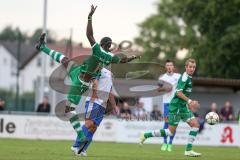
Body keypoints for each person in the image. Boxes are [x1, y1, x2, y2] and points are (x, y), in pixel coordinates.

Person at [35, 5, 140, 152]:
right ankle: (42, 47)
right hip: (80, 77)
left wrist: (90, 17)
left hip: (81, 78)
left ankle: (80, 136)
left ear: (102, 44)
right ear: (107, 46)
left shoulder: (103, 53)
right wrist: (130, 58)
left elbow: (91, 37)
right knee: (65, 63)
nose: (109, 46)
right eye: (109, 44)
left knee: (68, 105)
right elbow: (116, 57)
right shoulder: (106, 55)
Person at [140, 58, 202, 157]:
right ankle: (145, 135)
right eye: (190, 67)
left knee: (195, 125)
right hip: (176, 107)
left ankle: (188, 150)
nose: (192, 69)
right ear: (186, 67)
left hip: (182, 106)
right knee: (169, 131)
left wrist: (190, 103)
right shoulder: (184, 78)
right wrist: (190, 101)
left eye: (194, 67)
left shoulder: (188, 77)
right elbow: (178, 93)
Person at [71, 67, 117, 156]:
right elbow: (94, 82)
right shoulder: (98, 68)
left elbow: (110, 91)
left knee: (93, 128)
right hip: (94, 101)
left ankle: (83, 149)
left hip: (102, 104)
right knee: (88, 124)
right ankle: (76, 146)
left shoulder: (110, 74)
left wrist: (114, 105)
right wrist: (94, 95)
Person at [157, 60, 181, 151]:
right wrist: (165, 88)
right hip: (166, 102)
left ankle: (170, 144)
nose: (169, 66)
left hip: (175, 103)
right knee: (166, 123)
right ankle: (164, 143)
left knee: (173, 124)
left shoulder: (178, 76)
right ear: (165, 67)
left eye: (171, 65)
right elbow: (158, 90)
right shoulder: (162, 77)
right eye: (167, 65)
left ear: (173, 67)